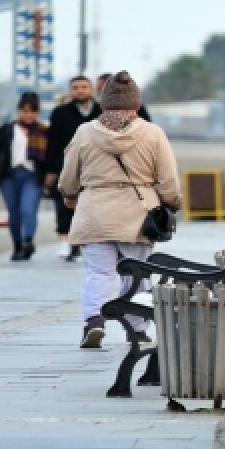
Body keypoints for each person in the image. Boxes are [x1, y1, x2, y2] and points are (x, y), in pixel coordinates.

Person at [58, 71, 181, 348]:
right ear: (136, 104)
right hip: (138, 213)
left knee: (98, 273)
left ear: (104, 102)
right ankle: (136, 328)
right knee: (136, 273)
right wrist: (172, 202)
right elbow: (168, 177)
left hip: (95, 211)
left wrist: (69, 195)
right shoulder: (152, 133)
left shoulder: (85, 131)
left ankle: (94, 321)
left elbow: (69, 174)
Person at [0, 92, 49, 261]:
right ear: (18, 111)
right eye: (24, 111)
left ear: (37, 112)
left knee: (28, 209)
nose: (28, 114)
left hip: (33, 176)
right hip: (9, 176)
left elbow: (50, 156)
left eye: (32, 111)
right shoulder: (6, 129)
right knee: (14, 212)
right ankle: (17, 246)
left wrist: (51, 174)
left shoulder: (43, 131)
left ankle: (28, 241)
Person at [45, 76, 100, 261]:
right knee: (64, 203)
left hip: (95, 167)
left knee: (90, 205)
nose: (80, 90)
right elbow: (52, 143)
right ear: (70, 91)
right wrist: (51, 170)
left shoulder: (102, 112)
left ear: (91, 89)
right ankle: (65, 239)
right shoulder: (60, 113)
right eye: (75, 87)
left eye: (84, 87)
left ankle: (82, 244)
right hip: (66, 165)